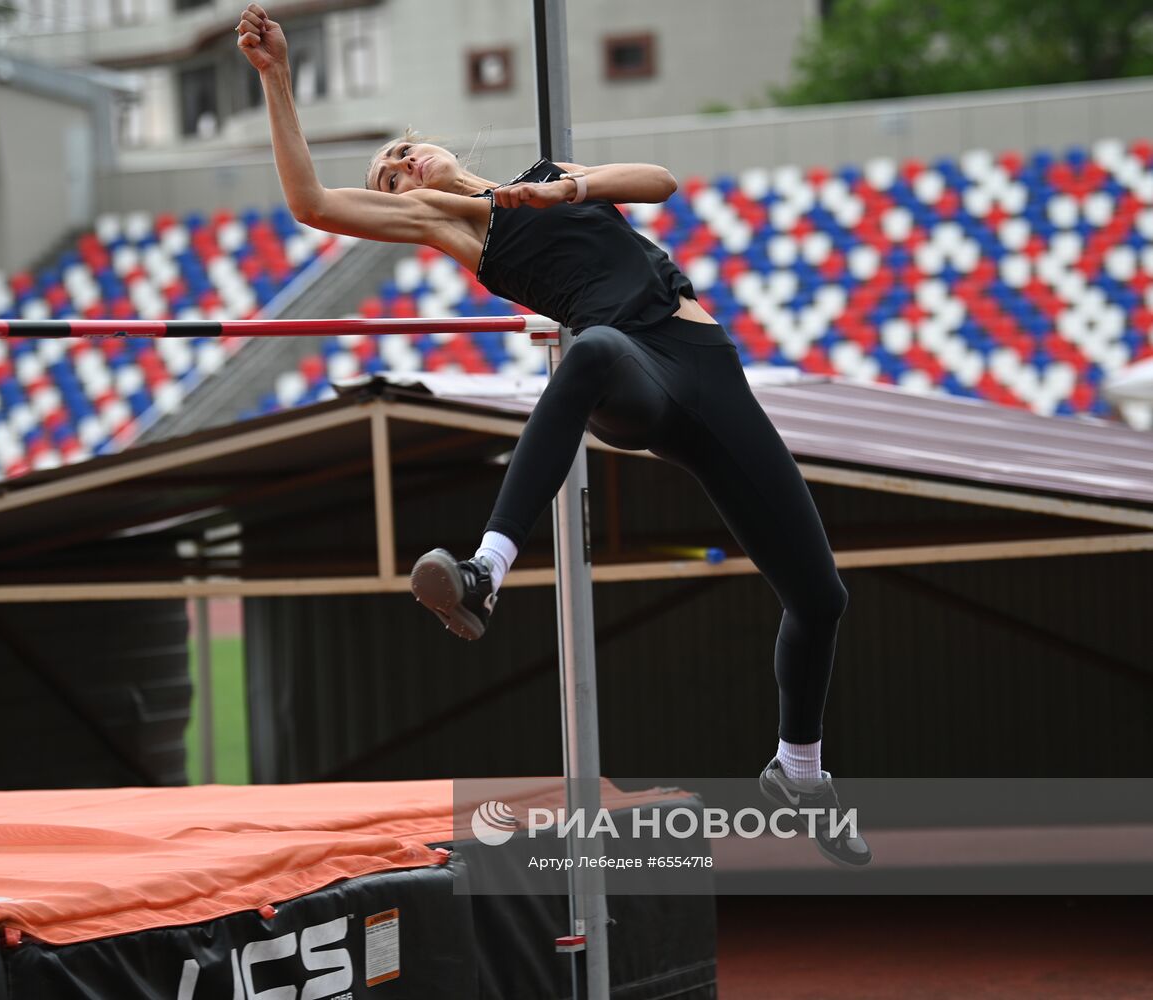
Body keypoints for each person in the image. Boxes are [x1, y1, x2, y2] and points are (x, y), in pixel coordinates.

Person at [236, 3, 870, 868]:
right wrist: (276, 78)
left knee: (821, 596)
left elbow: (660, 182)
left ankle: (799, 769)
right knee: (595, 345)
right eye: (388, 179)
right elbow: (309, 202)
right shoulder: (454, 224)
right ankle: (484, 572)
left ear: (440, 147)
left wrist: (566, 187)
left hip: (708, 369)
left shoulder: (543, 176)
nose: (400, 170)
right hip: (630, 375)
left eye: (403, 153)